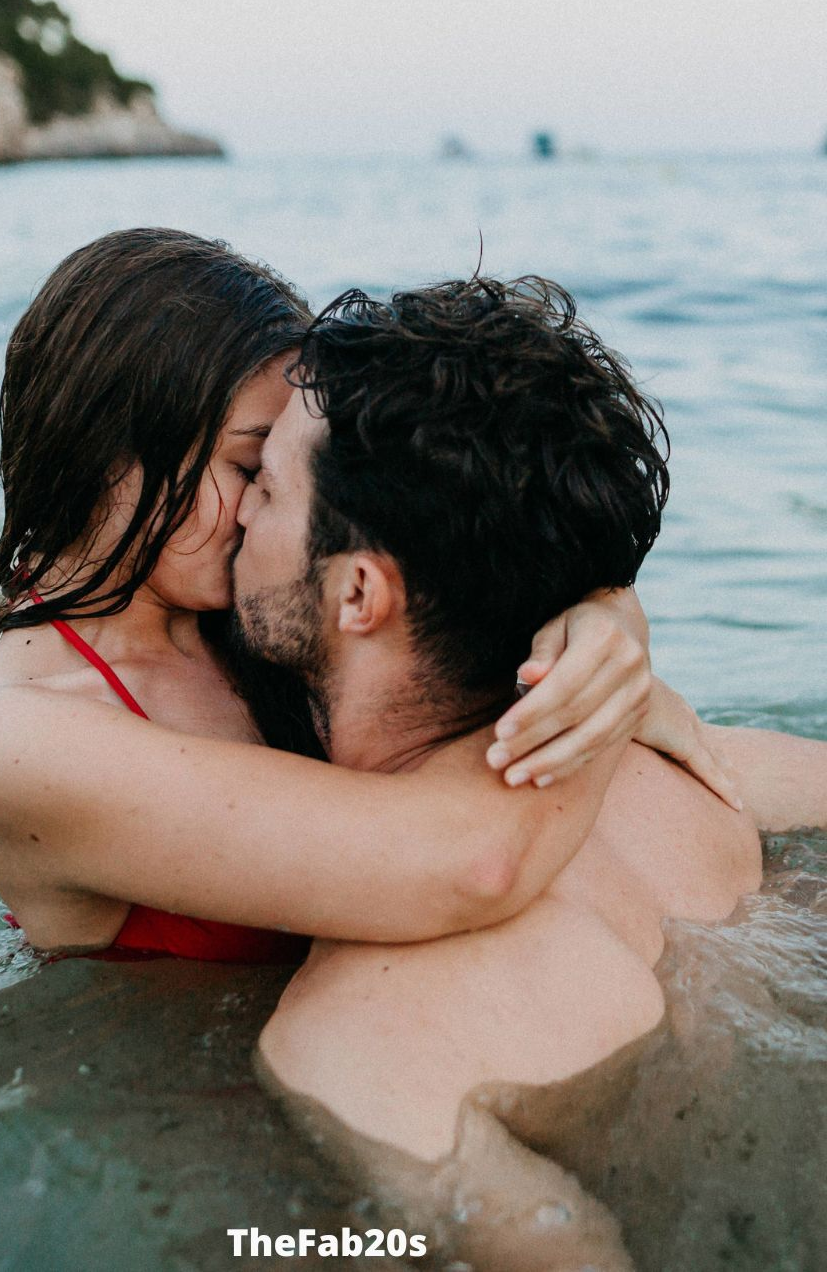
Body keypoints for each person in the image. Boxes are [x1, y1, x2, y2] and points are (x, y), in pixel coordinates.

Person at [234, 276, 827, 1270]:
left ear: (360, 592)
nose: (236, 518)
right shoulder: (685, 769)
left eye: (266, 487)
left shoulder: (360, 1040)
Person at [0, 229, 697, 963]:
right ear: (107, 451)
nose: (261, 510)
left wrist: (603, 605)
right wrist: (600, 706)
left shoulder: (240, 614)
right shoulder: (17, 744)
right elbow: (468, 867)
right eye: (249, 467)